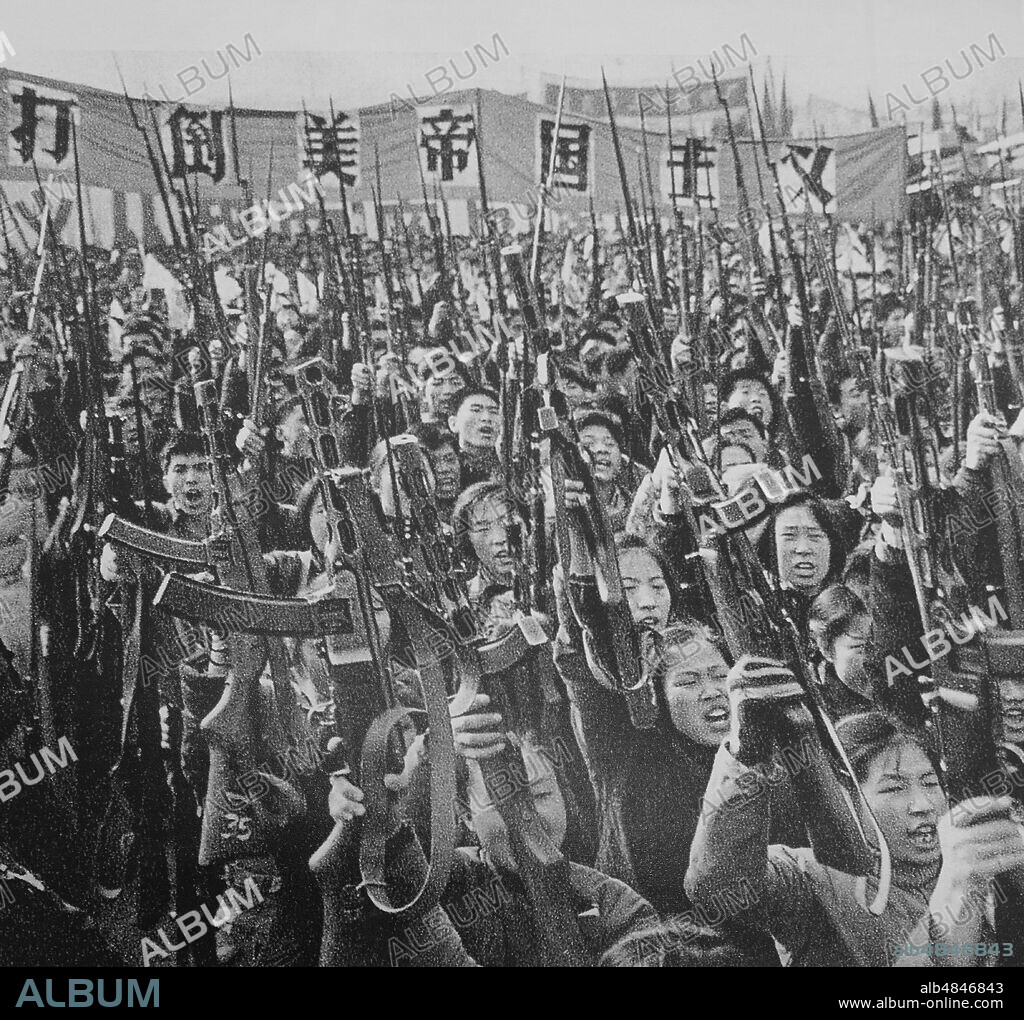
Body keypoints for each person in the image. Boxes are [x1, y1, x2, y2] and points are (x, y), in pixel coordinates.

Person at [686, 684, 1024, 966]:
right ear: (847, 798)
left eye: (930, 783)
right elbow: (717, 886)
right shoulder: (809, 876)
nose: (922, 805)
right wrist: (745, 758)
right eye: (893, 788)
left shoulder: (984, 859)